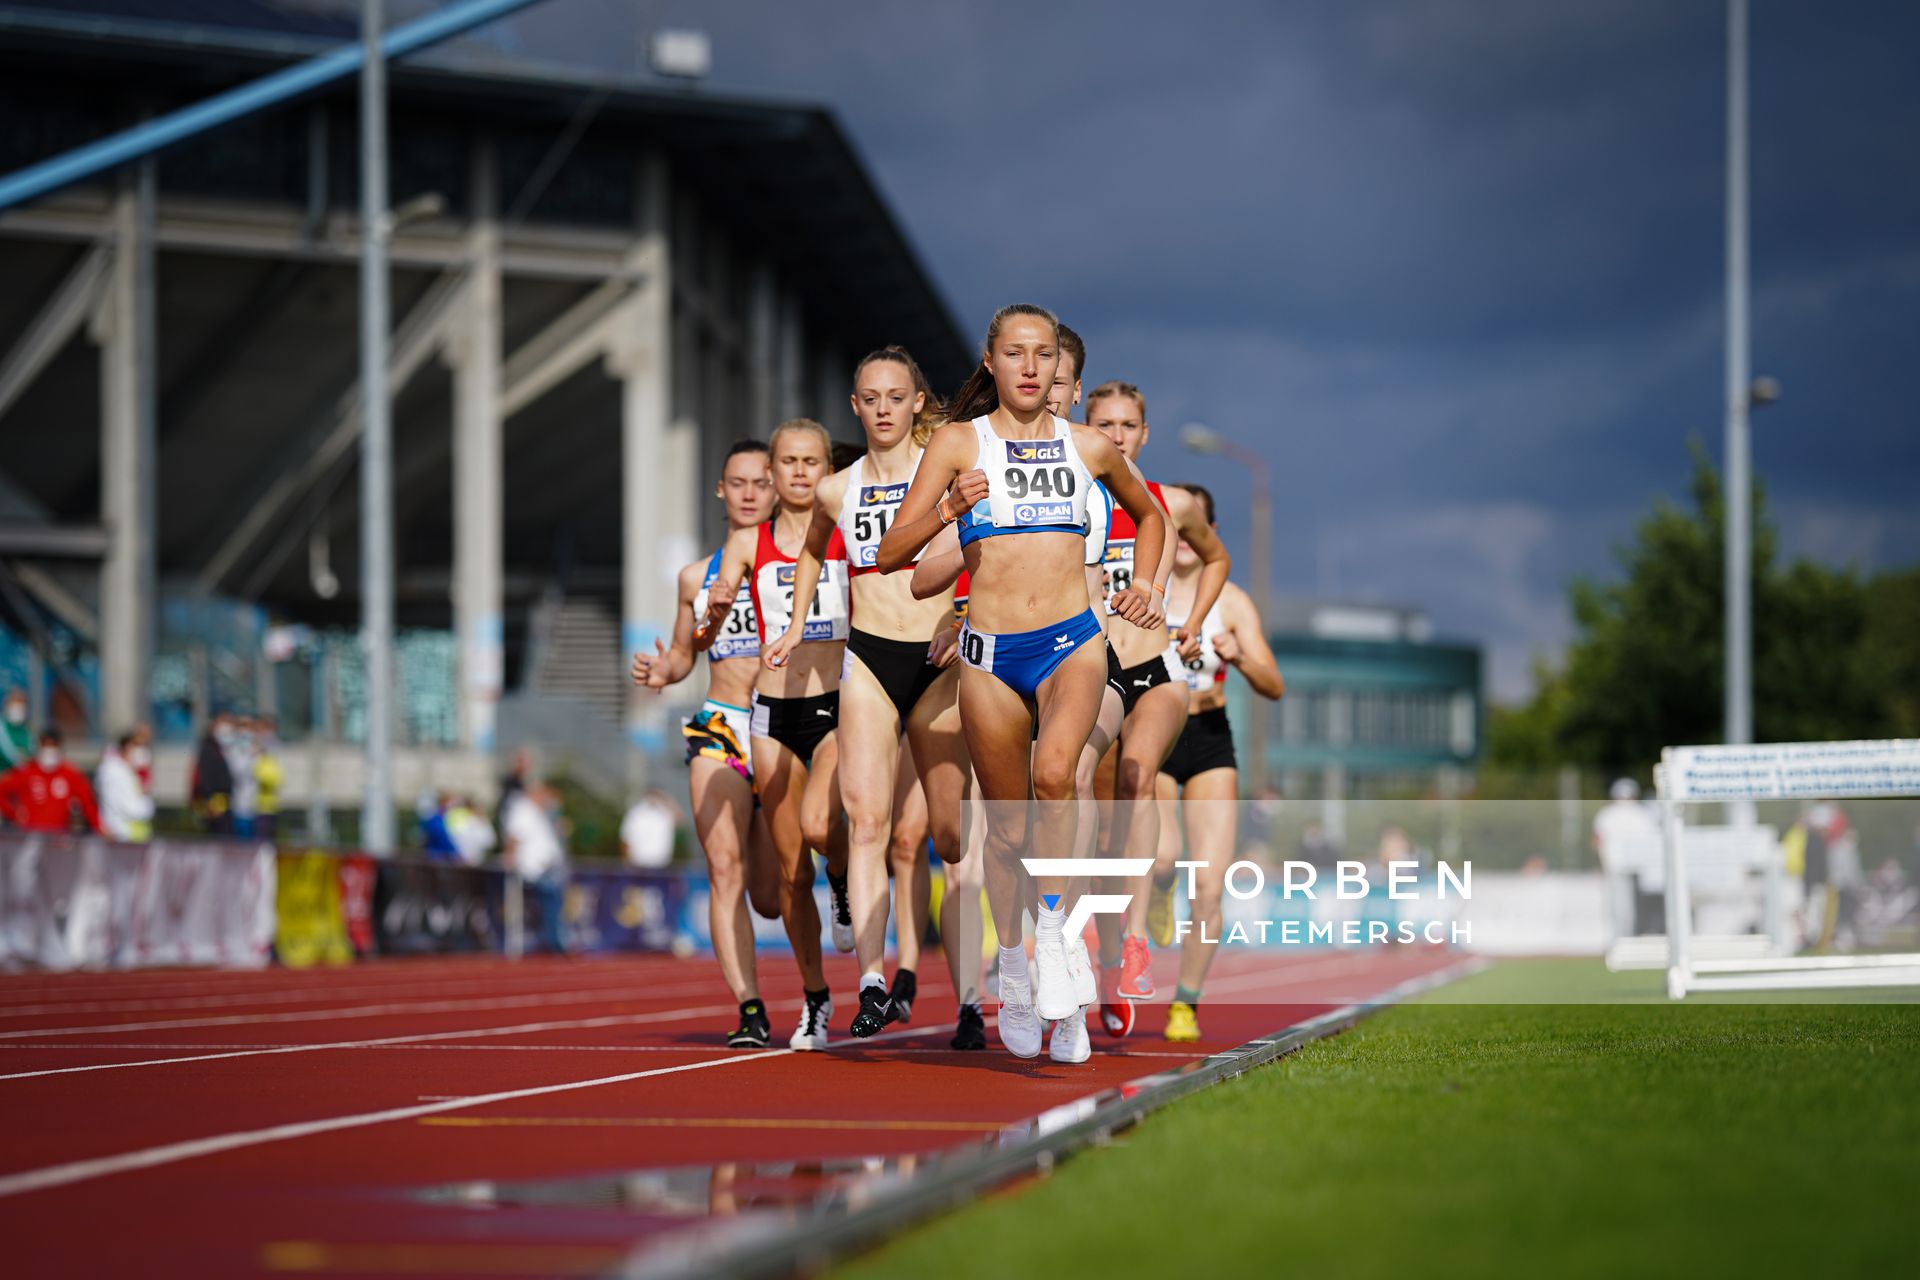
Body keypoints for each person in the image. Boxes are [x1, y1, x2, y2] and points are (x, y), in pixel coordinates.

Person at [877, 303, 1167, 1064]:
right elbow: (889, 555)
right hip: (989, 653)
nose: (1032, 367)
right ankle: (1014, 962)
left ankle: (1055, 941)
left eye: (1043, 354)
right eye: (1016, 353)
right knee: (1005, 830)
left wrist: (1147, 585)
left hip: (1073, 641)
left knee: (1055, 778)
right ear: (993, 362)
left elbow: (1152, 518)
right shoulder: (956, 443)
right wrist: (947, 506)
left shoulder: (1091, 447)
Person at [768, 347, 980, 1046]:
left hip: (940, 662)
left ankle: (974, 996)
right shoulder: (836, 488)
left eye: (896, 396)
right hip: (870, 658)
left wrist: (962, 614)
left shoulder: (946, 467)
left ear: (919, 402)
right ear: (855, 408)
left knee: (947, 838)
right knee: (867, 822)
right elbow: (810, 549)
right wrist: (798, 623)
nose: (884, 408)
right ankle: (870, 980)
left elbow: (985, 545)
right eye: (870, 398)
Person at [698, 419, 853, 1051]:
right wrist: (712, 610)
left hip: (838, 707)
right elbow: (721, 600)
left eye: (808, 461)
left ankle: (842, 877)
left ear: (826, 468)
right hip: (770, 712)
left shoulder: (845, 529)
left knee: (821, 828)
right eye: (785, 461)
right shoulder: (747, 542)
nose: (795, 472)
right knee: (788, 877)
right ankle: (815, 999)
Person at [1083, 382, 1231, 1012]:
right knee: (1074, 794)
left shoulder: (1170, 504)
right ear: (1086, 429)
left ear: (1144, 435)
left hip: (1154, 669)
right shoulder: (1073, 502)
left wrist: (1192, 621)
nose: (1116, 436)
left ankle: (1136, 938)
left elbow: (1217, 560)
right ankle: (1093, 939)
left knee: (1137, 780)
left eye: (1128, 425)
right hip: (1090, 672)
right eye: (1104, 424)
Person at [633, 438, 784, 1049]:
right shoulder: (696, 576)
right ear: (722, 490)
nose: (750, 494)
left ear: (777, 490)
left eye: (760, 483)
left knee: (772, 897)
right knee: (724, 870)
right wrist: (661, 671)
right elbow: (681, 653)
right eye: (739, 483)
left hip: (780, 724)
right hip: (720, 725)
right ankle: (750, 1007)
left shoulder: (798, 564)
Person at [1150, 483, 1283, 1042]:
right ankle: (1157, 891)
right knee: (1163, 857)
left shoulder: (1232, 600)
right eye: (1175, 526)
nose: (1183, 538)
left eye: (1195, 526)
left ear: (1212, 535)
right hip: (1155, 734)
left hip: (1209, 737)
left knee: (1209, 885)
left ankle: (1186, 1003)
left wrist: (1239, 655)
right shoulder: (1143, 588)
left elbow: (1274, 684)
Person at [502, 781, 568, 954]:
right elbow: (514, 836)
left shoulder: (538, 812)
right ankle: (553, 943)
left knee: (552, 905)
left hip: (545, 866)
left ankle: (553, 941)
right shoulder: (523, 810)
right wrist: (510, 858)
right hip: (535, 868)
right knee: (550, 904)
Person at [1593, 777, 1660, 941]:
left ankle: (1629, 937)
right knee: (1622, 906)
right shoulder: (1636, 814)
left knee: (1627, 905)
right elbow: (1598, 840)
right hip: (1620, 866)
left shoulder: (1638, 813)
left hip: (1637, 867)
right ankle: (1625, 938)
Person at [0, 728, 100, 833]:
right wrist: (13, 813)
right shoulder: (26, 772)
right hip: (29, 833)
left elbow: (87, 803)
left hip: (58, 836)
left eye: (53, 745)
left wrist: (98, 827)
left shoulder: (70, 774)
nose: (49, 749)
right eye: (45, 745)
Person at [95, 726, 155, 842]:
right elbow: (127, 805)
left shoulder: (131, 771)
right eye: (135, 747)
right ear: (126, 748)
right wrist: (147, 809)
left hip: (134, 832)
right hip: (120, 832)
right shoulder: (114, 772)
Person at [190, 713, 236, 835]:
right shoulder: (208, 749)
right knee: (220, 833)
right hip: (215, 801)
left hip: (225, 800)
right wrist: (210, 802)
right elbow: (206, 778)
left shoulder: (224, 748)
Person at [620, 789, 681, 869]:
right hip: (638, 865)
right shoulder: (635, 813)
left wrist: (667, 800)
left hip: (661, 865)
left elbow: (680, 820)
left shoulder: (666, 812)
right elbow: (626, 838)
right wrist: (627, 862)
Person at [251, 716, 283, 841]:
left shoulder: (271, 752)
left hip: (266, 805)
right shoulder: (256, 751)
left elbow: (275, 777)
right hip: (252, 805)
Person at [0, 688, 31, 770]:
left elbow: (30, 754)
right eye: (15, 706)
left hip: (18, 778)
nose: (18, 710)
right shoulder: (2, 728)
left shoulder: (26, 732)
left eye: (21, 708)